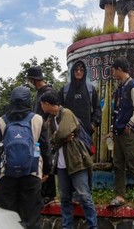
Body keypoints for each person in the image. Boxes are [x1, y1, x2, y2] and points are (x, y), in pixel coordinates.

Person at [0, 86, 50, 229]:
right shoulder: (38, 119)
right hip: (32, 172)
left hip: (7, 174)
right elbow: (45, 148)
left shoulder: (2, 121)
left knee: (7, 216)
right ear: (29, 100)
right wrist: (46, 169)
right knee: (31, 215)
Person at [39, 93, 98, 229]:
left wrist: (59, 137)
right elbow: (49, 140)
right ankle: (67, 226)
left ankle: (93, 226)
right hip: (60, 164)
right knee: (65, 198)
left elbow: (63, 132)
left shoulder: (66, 113)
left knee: (84, 196)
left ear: (47, 103)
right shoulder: (49, 120)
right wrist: (59, 138)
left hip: (76, 160)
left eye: (42, 104)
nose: (41, 106)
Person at [107, 56, 134, 209]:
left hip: (129, 133)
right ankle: (120, 195)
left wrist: (130, 124)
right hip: (119, 133)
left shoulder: (133, 87)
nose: (113, 73)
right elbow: (117, 112)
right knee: (118, 164)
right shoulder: (120, 88)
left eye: (113, 70)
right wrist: (112, 129)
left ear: (119, 69)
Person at [58, 60, 101, 190]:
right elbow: (58, 111)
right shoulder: (64, 91)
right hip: (69, 134)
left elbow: (97, 109)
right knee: (70, 161)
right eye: (76, 70)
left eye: (81, 70)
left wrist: (93, 124)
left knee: (86, 162)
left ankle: (86, 191)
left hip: (86, 133)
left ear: (84, 72)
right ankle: (71, 191)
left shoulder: (90, 89)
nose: (78, 72)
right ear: (72, 72)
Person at [26, 66, 57, 204]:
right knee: (40, 160)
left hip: (45, 131)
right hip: (38, 130)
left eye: (30, 80)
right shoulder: (39, 92)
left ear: (34, 79)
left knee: (46, 158)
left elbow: (49, 113)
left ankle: (49, 194)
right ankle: (42, 192)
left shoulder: (48, 92)